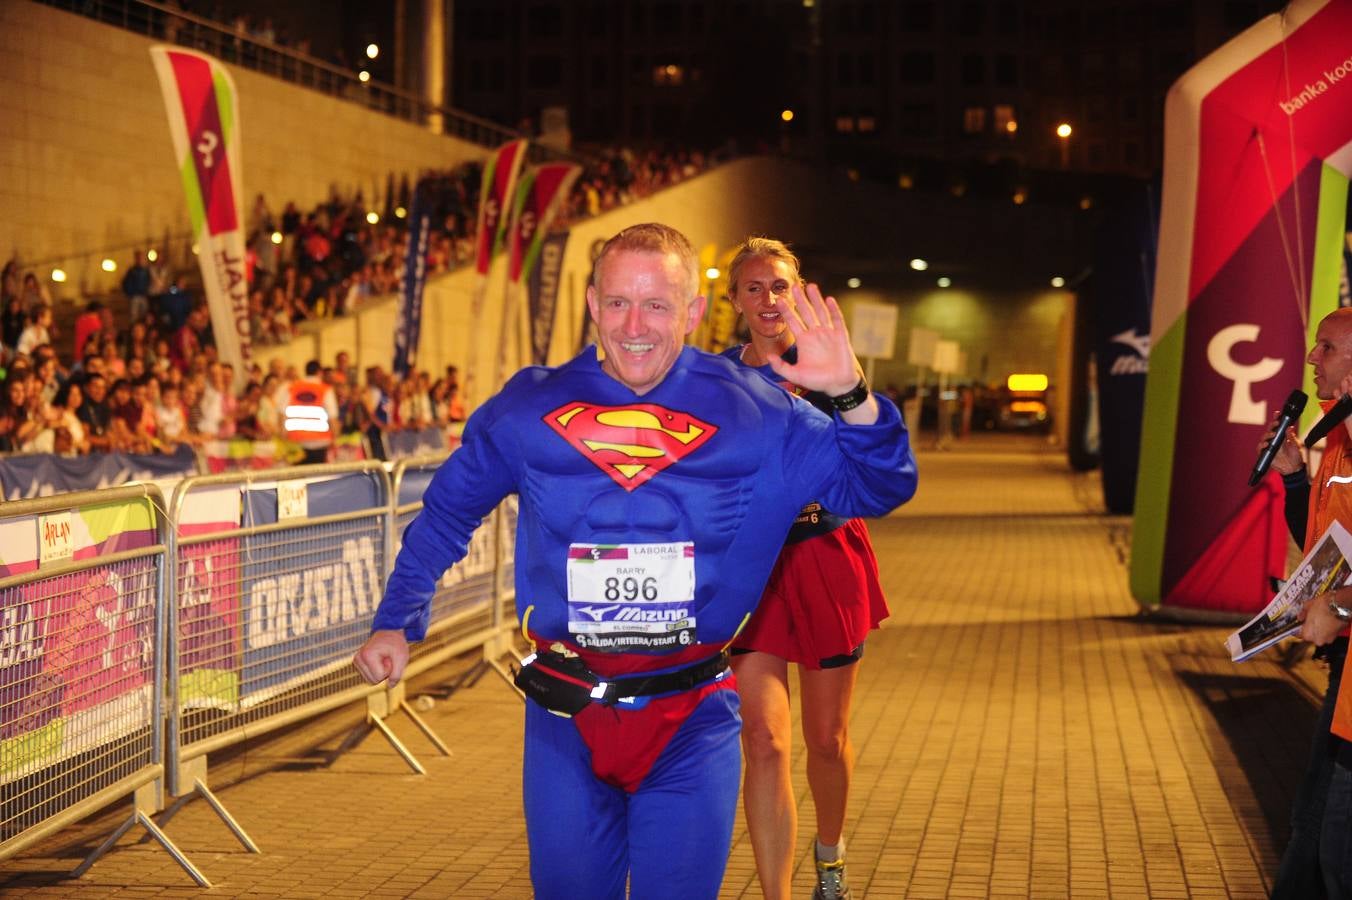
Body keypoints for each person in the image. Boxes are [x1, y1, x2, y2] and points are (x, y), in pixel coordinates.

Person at [353, 223, 917, 899]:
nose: (636, 326)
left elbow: (881, 487)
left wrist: (850, 394)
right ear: (592, 303)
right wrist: (396, 620)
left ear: (694, 312)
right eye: (619, 302)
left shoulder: (762, 413)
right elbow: (448, 509)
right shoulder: (531, 405)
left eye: (657, 304)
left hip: (693, 716)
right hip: (568, 717)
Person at [721, 238, 888, 900]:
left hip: (825, 559)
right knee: (762, 740)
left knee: (826, 739)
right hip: (752, 572)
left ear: (798, 292)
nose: (768, 299)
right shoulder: (714, 380)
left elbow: (871, 454)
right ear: (733, 299)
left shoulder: (830, 366)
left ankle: (831, 854)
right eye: (754, 287)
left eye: (780, 286)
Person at [1261, 306, 1352, 898]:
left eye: (1325, 347)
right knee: (1313, 825)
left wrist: (1338, 608)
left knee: (1335, 849)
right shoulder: (1338, 437)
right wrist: (1296, 479)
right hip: (1345, 673)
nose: (1312, 358)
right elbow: (1330, 552)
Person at [284, 360, 338, 464]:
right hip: (320, 443)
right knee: (318, 477)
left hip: (296, 442)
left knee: (299, 477)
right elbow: (332, 417)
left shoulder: (293, 387)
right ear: (320, 372)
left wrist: (283, 434)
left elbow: (282, 413)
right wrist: (334, 438)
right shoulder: (325, 389)